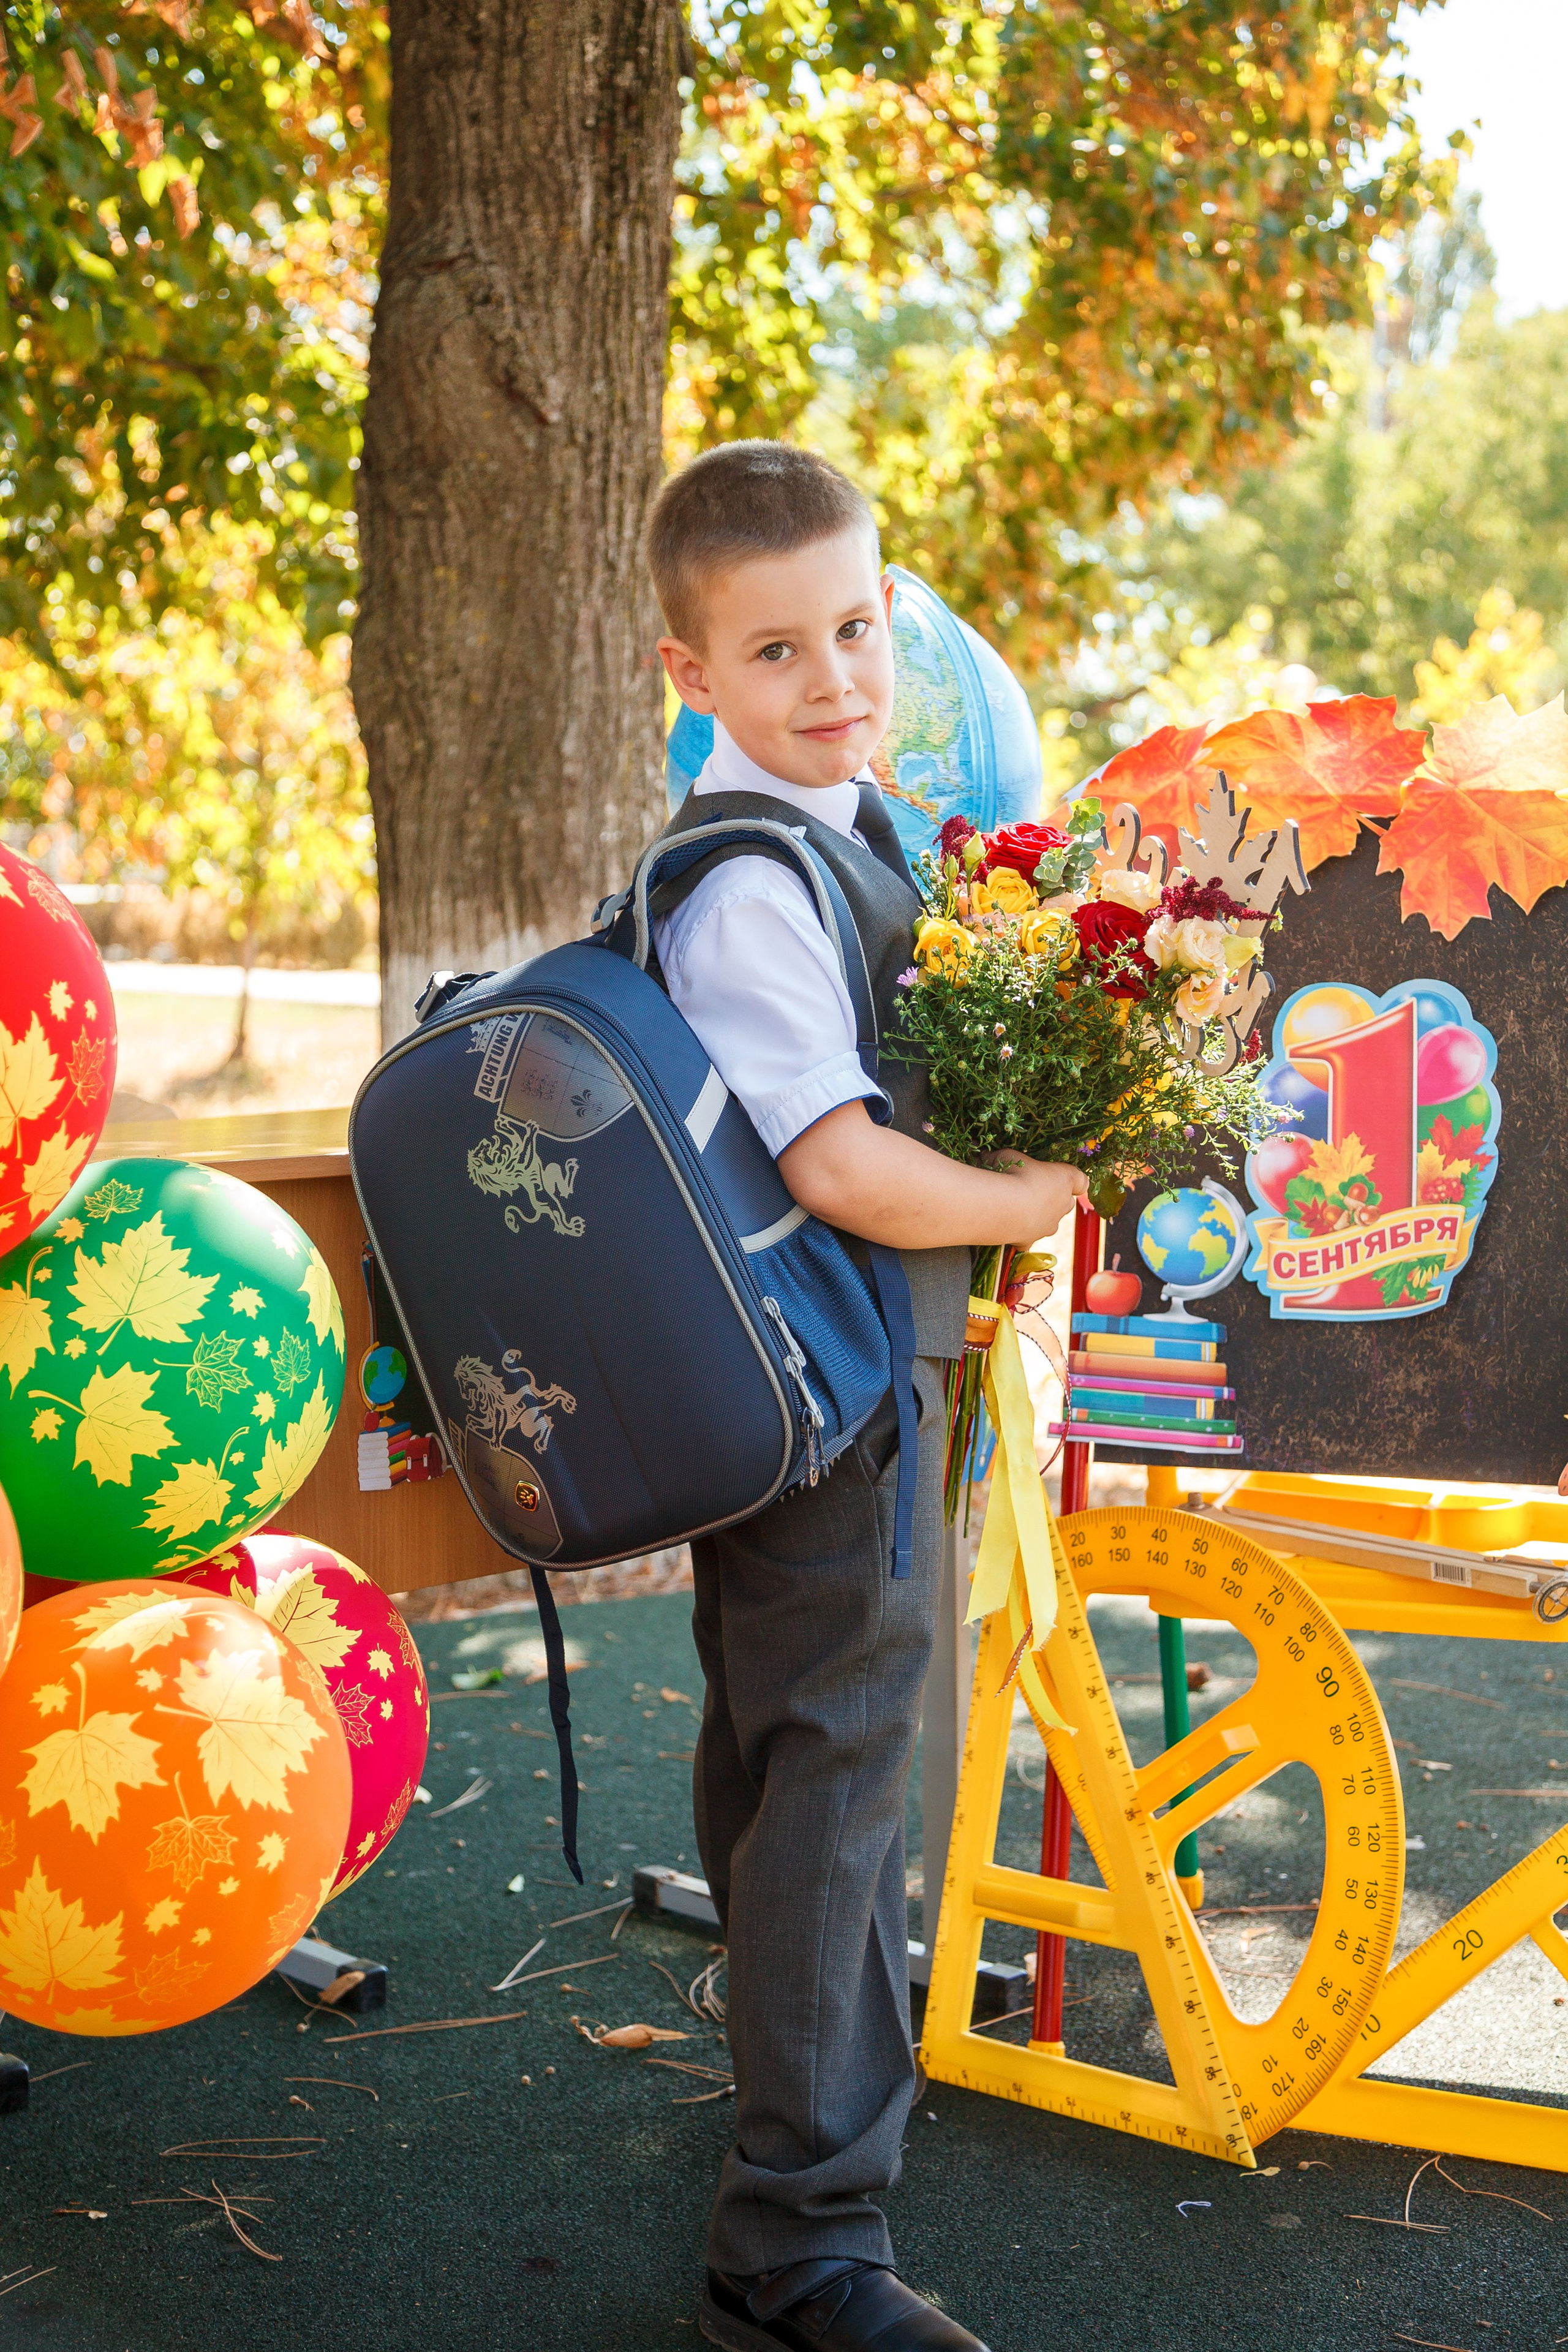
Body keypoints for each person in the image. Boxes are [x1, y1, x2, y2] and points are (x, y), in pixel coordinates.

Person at [646, 441, 1086, 2352]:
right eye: (774, 651)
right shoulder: (753, 880)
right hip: (830, 1393)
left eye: (855, 628)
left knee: (783, 1751)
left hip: (820, 1382)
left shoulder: (842, 832)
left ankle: (794, 2101)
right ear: (691, 677)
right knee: (833, 1772)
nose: (833, 678)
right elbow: (834, 1162)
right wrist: (1025, 1200)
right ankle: (800, 2243)